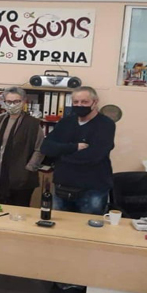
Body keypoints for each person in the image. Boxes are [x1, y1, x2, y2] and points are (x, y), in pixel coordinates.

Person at [40, 86, 116, 215]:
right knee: (59, 224)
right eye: (76, 102)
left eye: (84, 102)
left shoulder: (105, 124)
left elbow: (93, 156)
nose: (79, 105)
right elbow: (46, 147)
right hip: (62, 185)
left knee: (88, 225)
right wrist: (74, 147)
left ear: (95, 102)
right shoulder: (66, 122)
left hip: (92, 188)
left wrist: (60, 155)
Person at [0, 86, 44, 207]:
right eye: (9, 101)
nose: (12, 105)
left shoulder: (33, 123)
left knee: (20, 211)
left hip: (22, 179)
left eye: (16, 101)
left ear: (24, 102)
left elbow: (40, 149)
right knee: (3, 209)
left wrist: (29, 168)